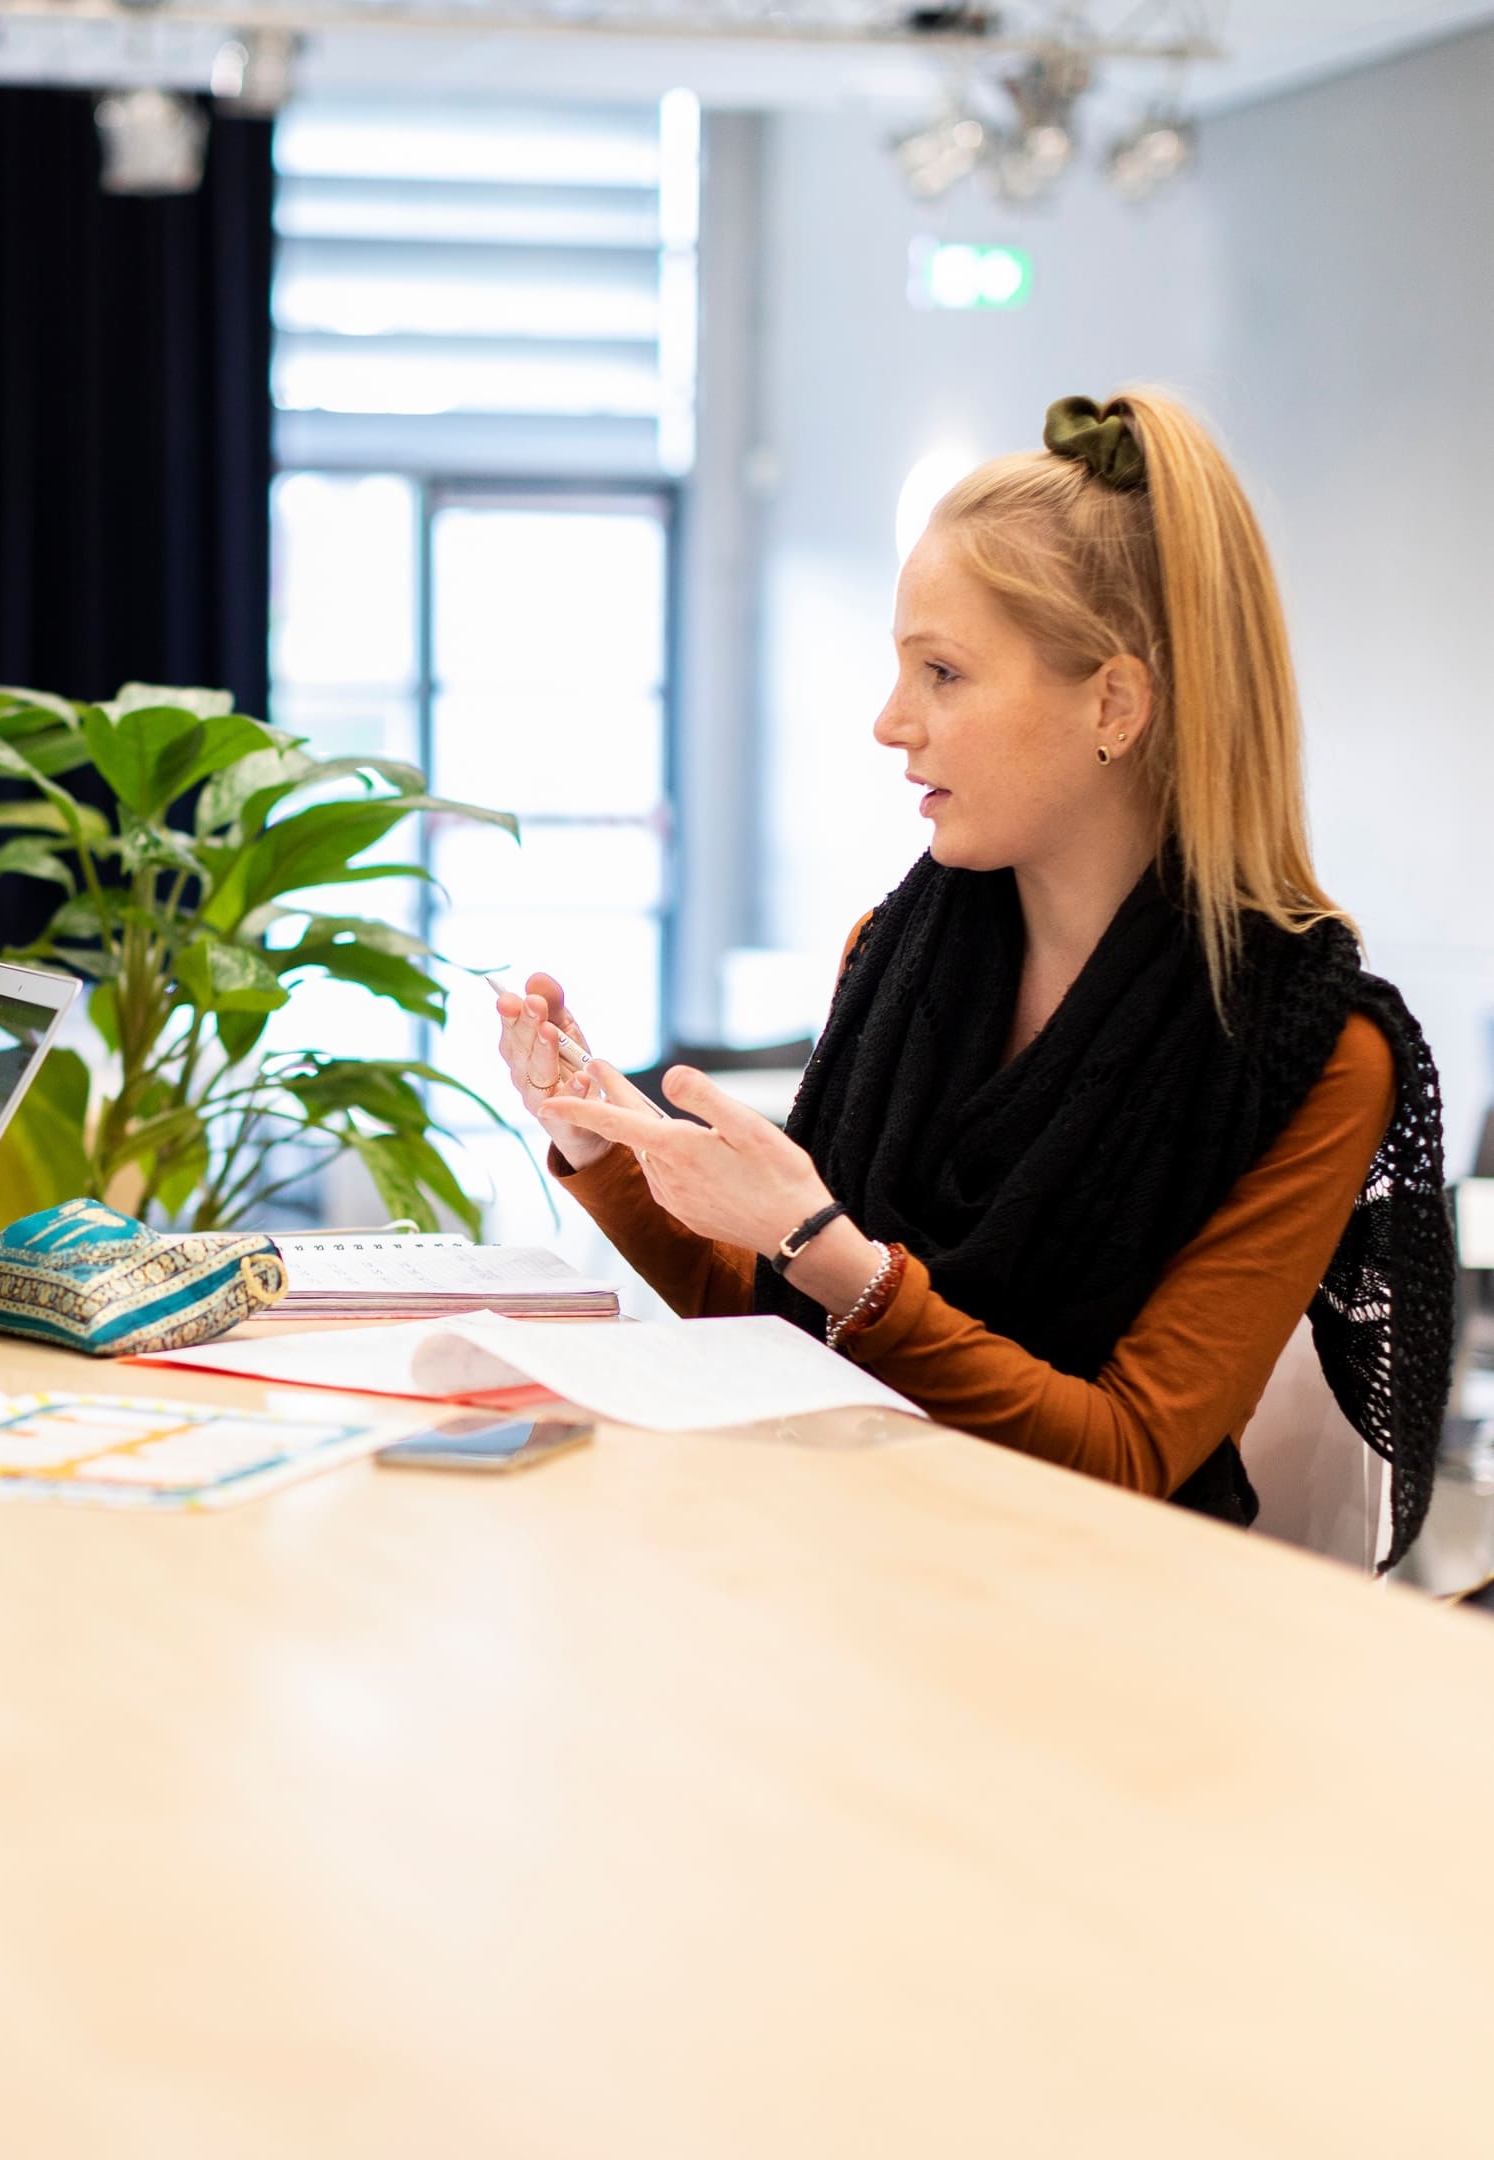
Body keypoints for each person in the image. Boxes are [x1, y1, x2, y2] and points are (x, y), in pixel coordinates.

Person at [497, 389, 1452, 1564]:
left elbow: (1124, 1459)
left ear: (1114, 702)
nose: (891, 723)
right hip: (840, 1563)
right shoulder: (890, 953)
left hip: (1104, 1623)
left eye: (942, 673)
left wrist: (822, 1243)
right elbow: (782, 1329)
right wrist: (603, 1141)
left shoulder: (1313, 1052)